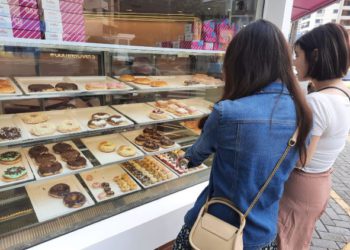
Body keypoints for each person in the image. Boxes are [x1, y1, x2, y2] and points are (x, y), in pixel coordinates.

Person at [173, 19, 313, 250]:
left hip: (215, 229)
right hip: (262, 234)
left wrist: (184, 158)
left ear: (238, 63)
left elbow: (195, 155)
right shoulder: (304, 113)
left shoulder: (228, 112)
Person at [277, 23, 350, 250]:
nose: (294, 62)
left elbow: (302, 158)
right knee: (297, 241)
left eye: (297, 55)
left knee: (283, 241)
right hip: (320, 182)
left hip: (299, 186)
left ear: (315, 56)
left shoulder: (317, 102)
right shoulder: (342, 93)